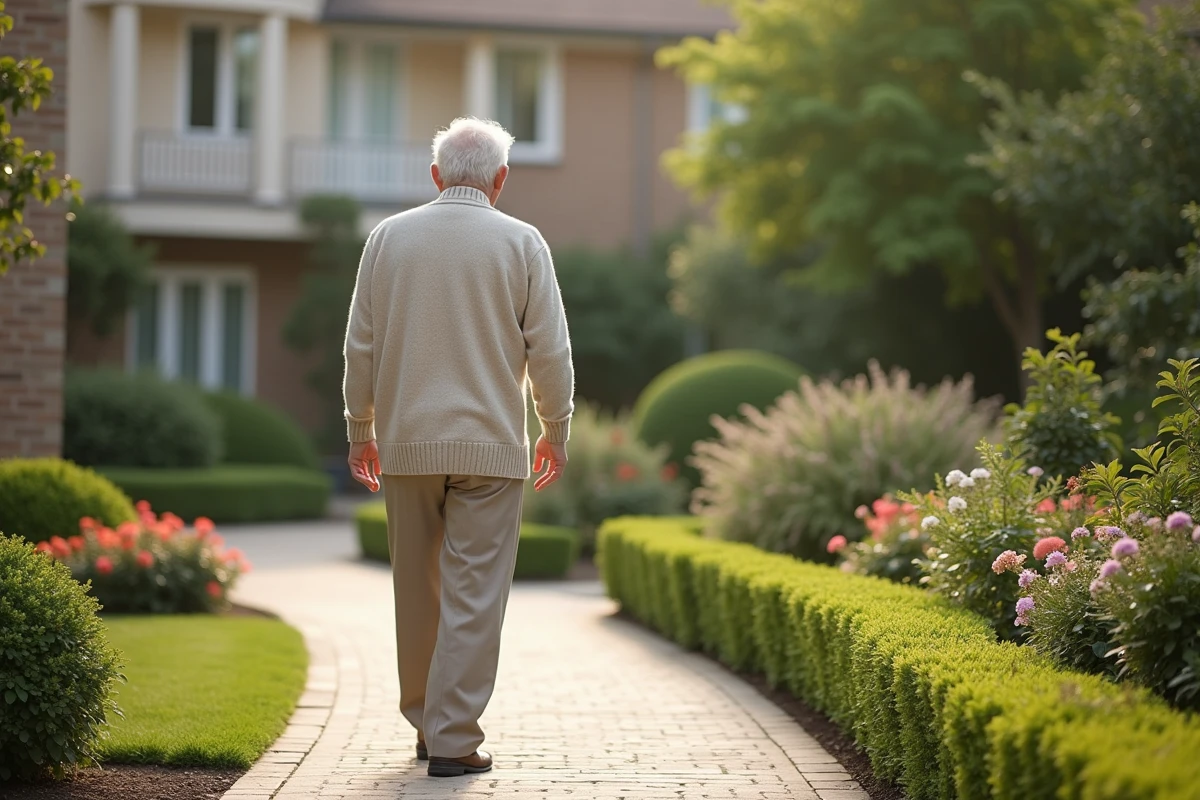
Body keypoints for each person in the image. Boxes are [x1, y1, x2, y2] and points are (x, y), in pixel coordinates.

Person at [341, 117, 574, 778]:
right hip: (492, 453)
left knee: (416, 591)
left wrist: (361, 430)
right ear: (499, 179)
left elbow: (362, 344)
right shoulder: (523, 242)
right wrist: (555, 428)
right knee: (474, 597)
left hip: (408, 446)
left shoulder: (388, 239)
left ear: (437, 175)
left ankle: (426, 723)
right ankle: (454, 737)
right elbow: (550, 352)